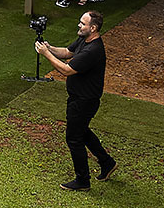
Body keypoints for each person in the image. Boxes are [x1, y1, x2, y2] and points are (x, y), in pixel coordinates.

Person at [35, 11, 115, 191]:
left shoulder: (93, 50)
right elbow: (67, 52)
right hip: (79, 98)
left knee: (74, 138)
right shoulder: (83, 40)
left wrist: (46, 54)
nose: (79, 25)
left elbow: (67, 69)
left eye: (82, 23)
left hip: (84, 101)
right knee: (82, 131)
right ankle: (107, 162)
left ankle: (83, 180)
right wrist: (50, 47)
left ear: (92, 28)